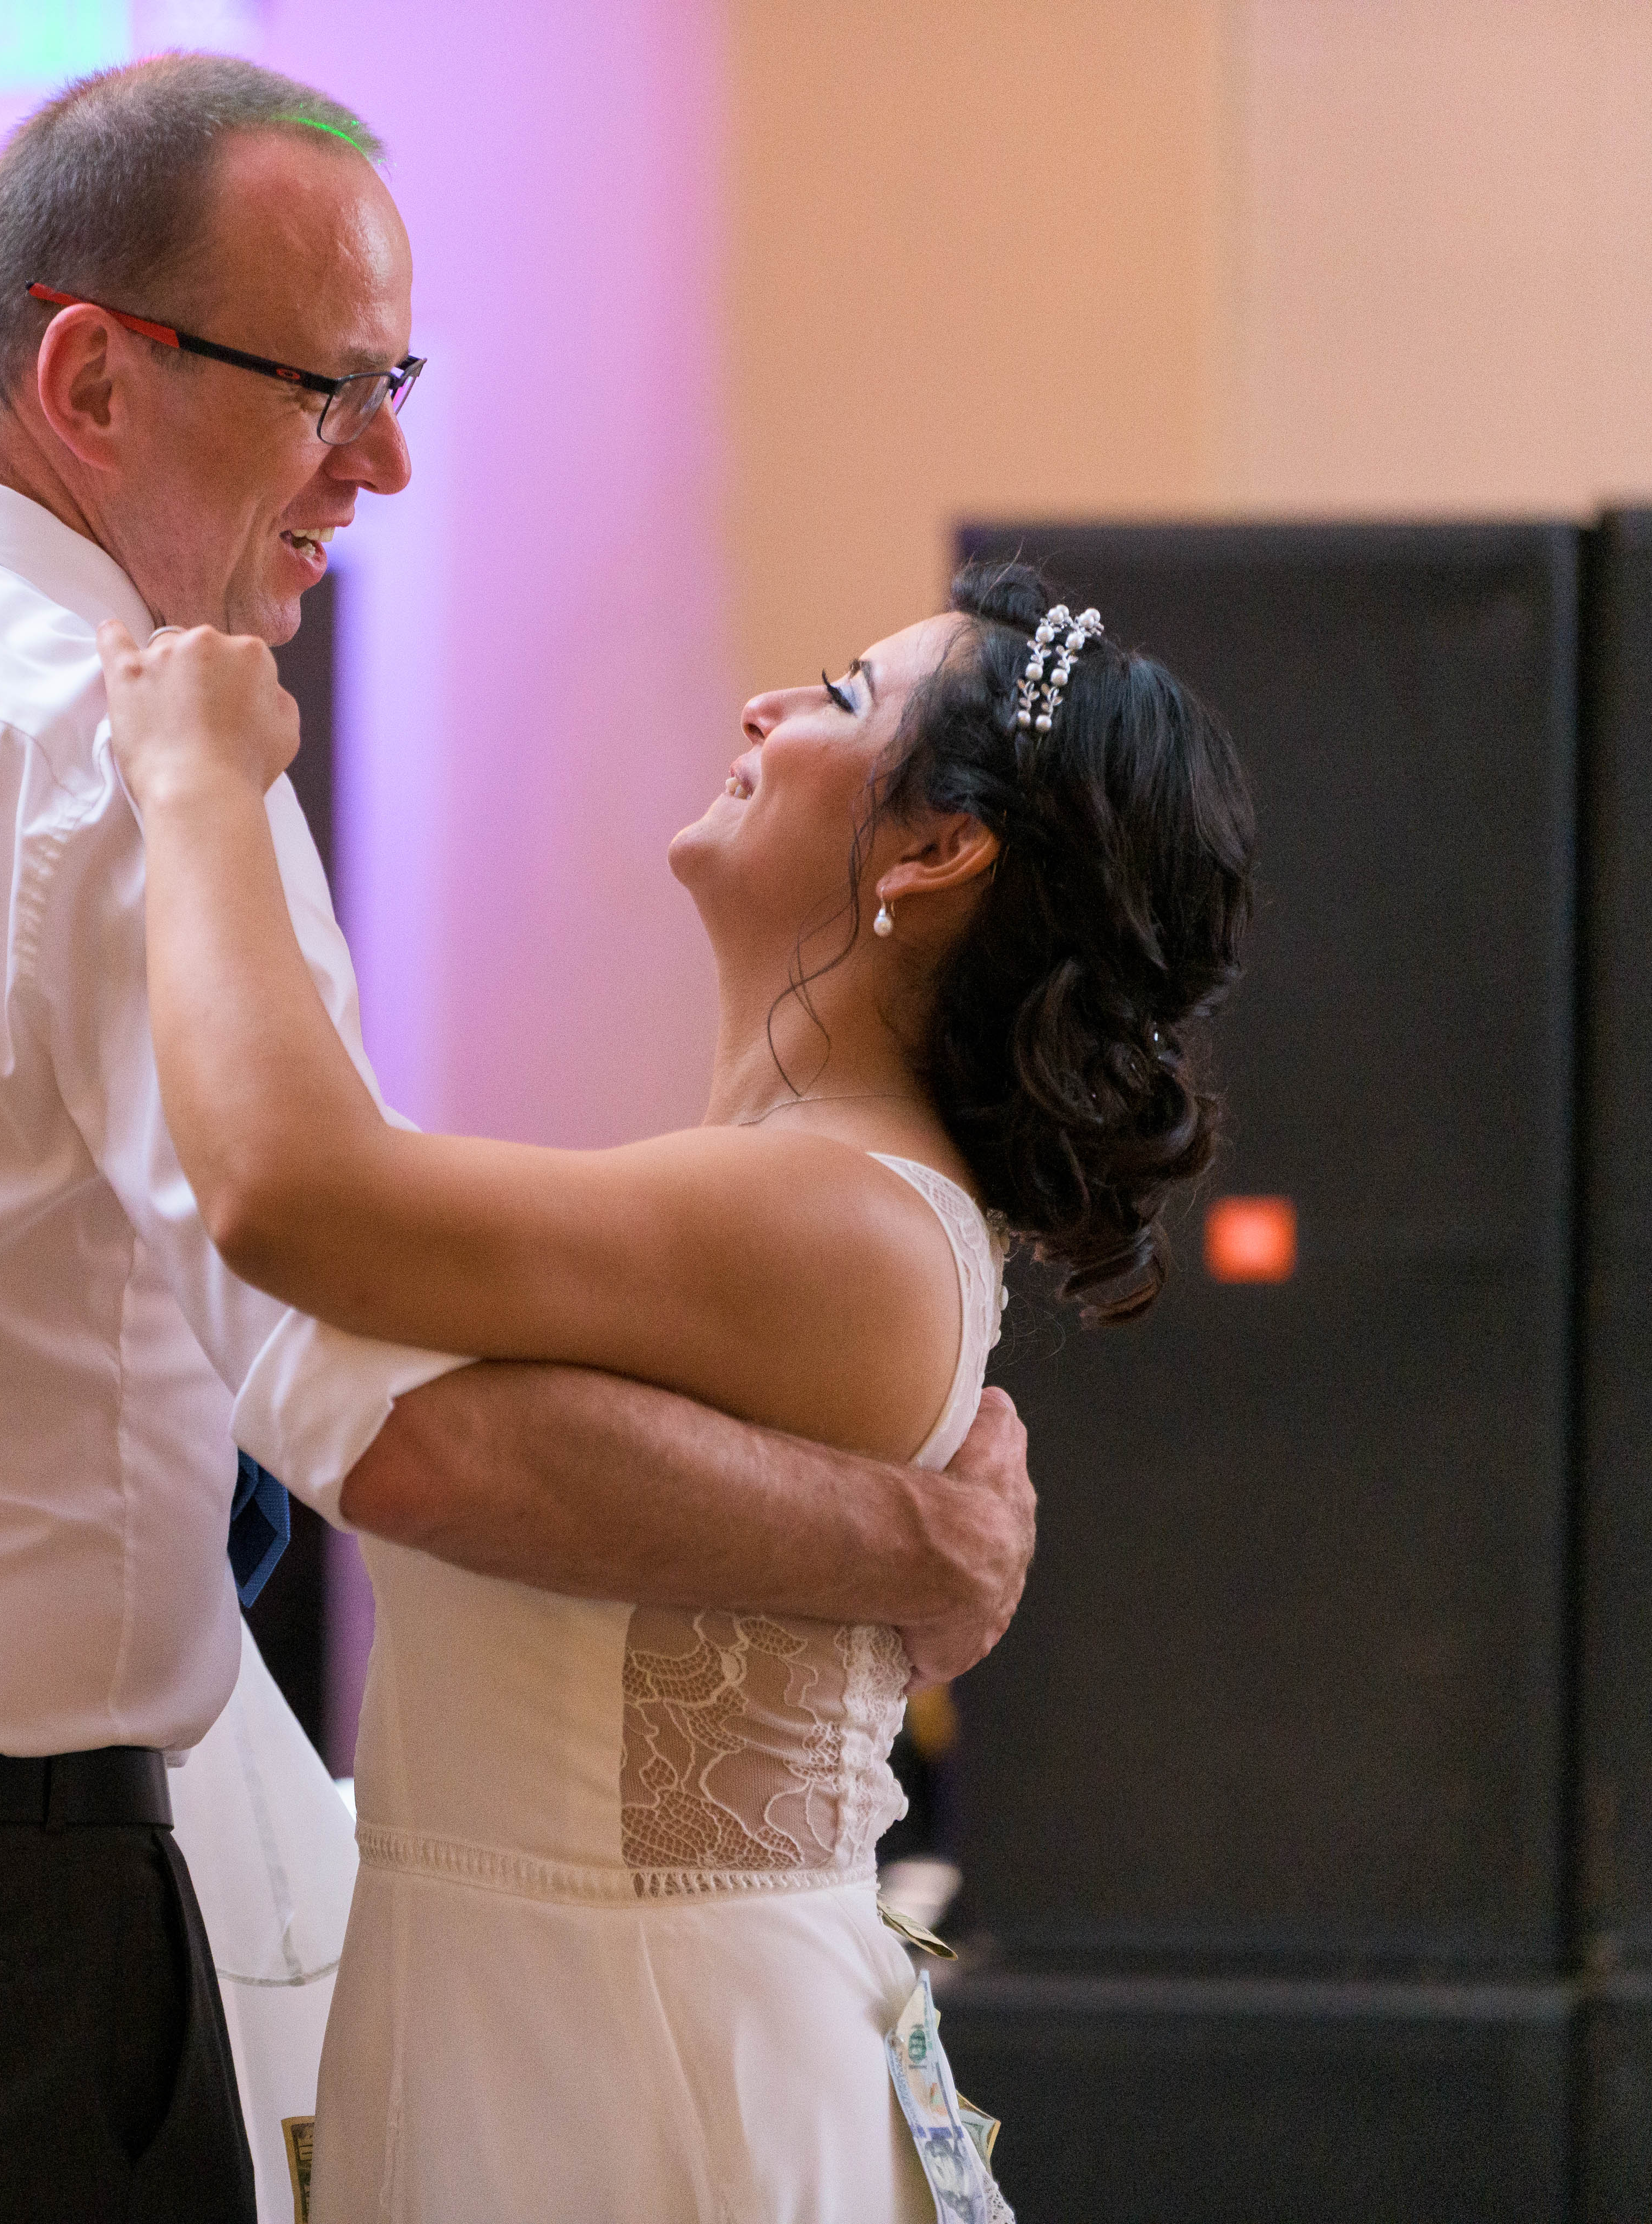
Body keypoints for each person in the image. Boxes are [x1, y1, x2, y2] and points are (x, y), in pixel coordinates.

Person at [0, 54, 1037, 2223]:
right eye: (326, 388)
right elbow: (391, 1434)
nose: (383, 456)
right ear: (92, 378)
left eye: (394, 383)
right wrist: (899, 1541)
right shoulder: (133, 763)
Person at [100, 564, 1255, 2218]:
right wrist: (910, 1540)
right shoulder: (796, 1193)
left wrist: (201, 783)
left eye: (841, 699)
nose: (764, 707)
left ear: (935, 853)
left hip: (644, 2064)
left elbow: (296, 1205)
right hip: (548, 2022)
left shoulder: (845, 1214)